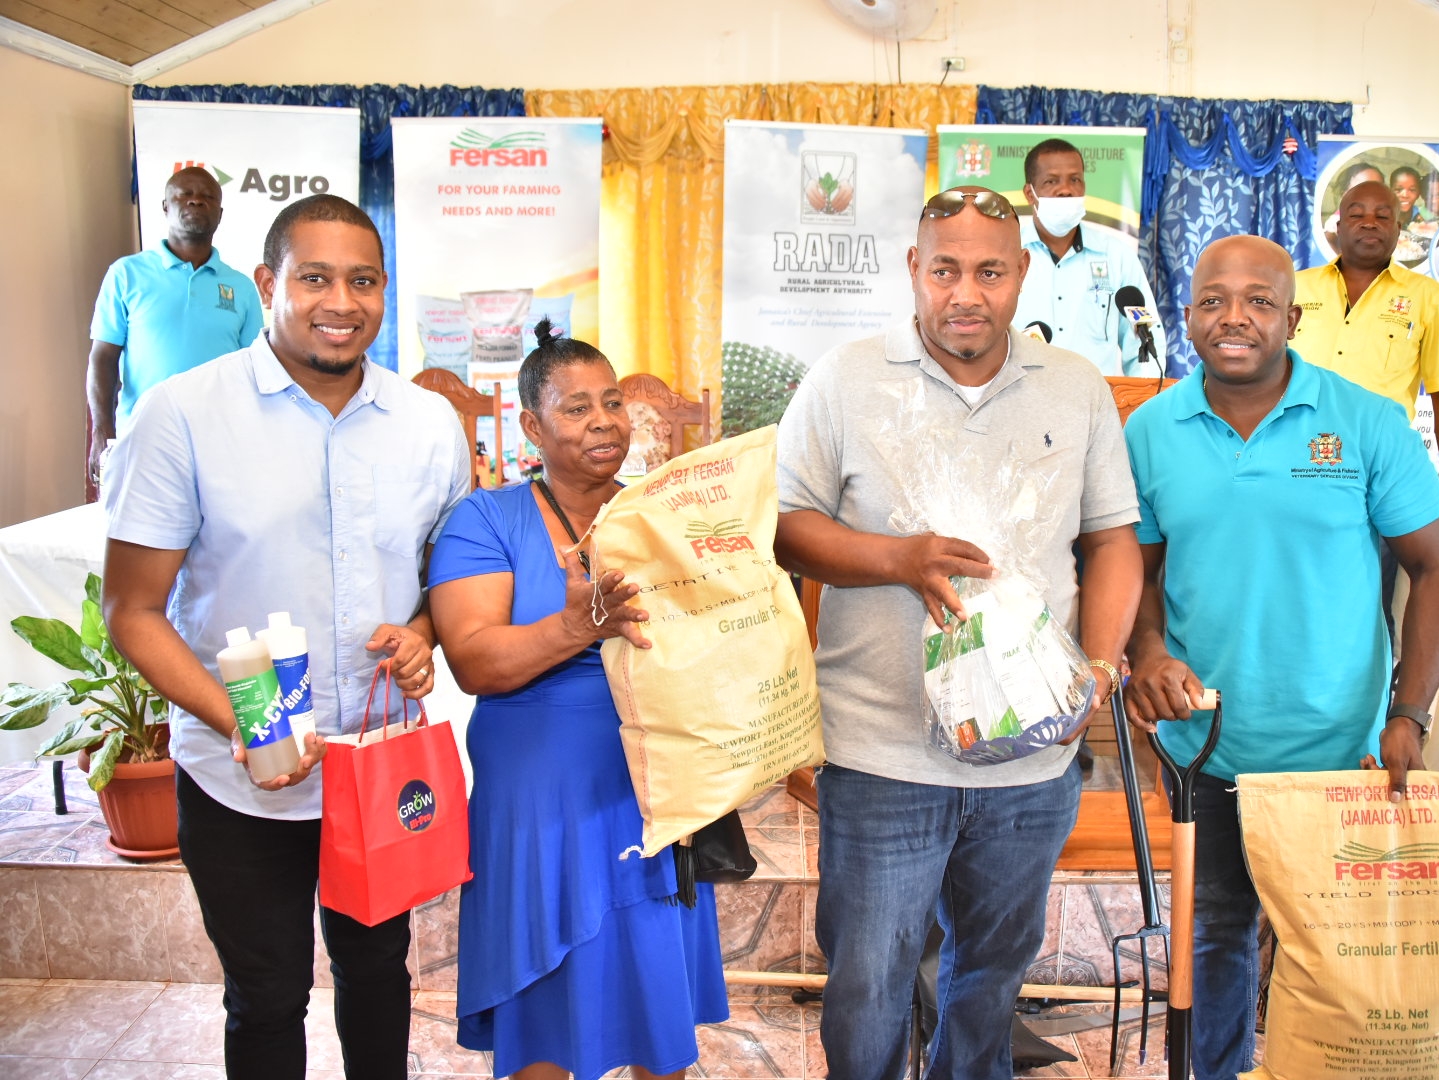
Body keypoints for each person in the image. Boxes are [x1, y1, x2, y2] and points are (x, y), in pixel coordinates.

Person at [776, 185, 1143, 1079]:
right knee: (868, 980)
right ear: (914, 269)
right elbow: (786, 527)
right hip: (883, 753)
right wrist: (898, 560)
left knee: (993, 972)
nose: (965, 293)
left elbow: (1113, 541)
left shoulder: (1078, 386)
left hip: (1034, 755)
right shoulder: (846, 378)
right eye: (945, 270)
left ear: (1022, 276)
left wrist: (1096, 665)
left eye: (989, 271)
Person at [100, 194, 469, 1080]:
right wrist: (239, 721)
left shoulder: (427, 426)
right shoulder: (183, 416)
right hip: (240, 783)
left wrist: (422, 633)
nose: (341, 301)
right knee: (265, 996)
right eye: (315, 278)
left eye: (363, 281)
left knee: (379, 972)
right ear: (266, 284)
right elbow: (131, 611)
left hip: (373, 768)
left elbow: (449, 582)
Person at [1121, 234, 1439, 1080]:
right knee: (1216, 939)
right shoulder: (1150, 431)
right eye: (1213, 301)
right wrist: (1151, 651)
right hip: (1206, 746)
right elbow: (1136, 575)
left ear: (1292, 317)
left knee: (1335, 948)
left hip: (1341, 750)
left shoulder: (1367, 423)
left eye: (1258, 301)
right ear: (1189, 315)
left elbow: (1437, 573)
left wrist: (1409, 713)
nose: (1234, 318)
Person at [426, 322, 728, 1080]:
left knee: (655, 1001)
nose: (603, 422)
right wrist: (573, 627)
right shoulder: (485, 520)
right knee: (545, 1007)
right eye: (576, 408)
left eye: (614, 403)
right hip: (540, 801)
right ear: (531, 425)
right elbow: (474, 662)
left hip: (653, 790)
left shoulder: (666, 518)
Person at [1293, 181, 1439, 543]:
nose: (1370, 223)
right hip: (1292, 459)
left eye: (1383, 216)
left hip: (1378, 470)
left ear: (1398, 230)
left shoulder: (1427, 297)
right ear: (1338, 227)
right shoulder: (1295, 287)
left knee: (1373, 583)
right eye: (1357, 215)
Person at [87, 166, 262, 493]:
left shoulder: (241, 286)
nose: (196, 201)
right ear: (166, 206)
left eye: (207, 196)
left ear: (220, 214)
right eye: (184, 194)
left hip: (220, 442)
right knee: (140, 540)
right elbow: (103, 358)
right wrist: (102, 433)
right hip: (143, 438)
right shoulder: (126, 274)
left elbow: (255, 368)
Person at [1012, 138, 1165, 375]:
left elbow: (1143, 338)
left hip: (1096, 403)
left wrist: (1143, 404)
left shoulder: (1116, 256)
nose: (1066, 189)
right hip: (1022, 402)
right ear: (1029, 193)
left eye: (1075, 180)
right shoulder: (1007, 256)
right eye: (1051, 181)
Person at [1390, 165, 1427, 230]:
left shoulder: (1420, 217)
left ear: (1418, 194)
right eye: (1398, 189)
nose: (1405, 195)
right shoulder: (1382, 214)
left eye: (1412, 190)